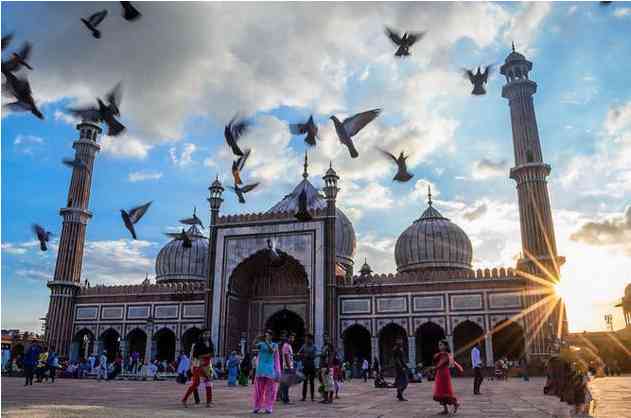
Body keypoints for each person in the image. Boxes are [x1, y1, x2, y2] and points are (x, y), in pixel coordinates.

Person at [252, 330, 281, 414]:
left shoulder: (275, 345)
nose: (266, 337)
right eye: (266, 335)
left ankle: (268, 407)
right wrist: (256, 338)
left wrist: (267, 342)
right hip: (261, 369)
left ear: (271, 336)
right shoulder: (261, 344)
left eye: (268, 335)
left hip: (269, 369)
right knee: (259, 389)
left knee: (270, 389)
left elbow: (272, 351)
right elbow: (253, 346)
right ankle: (257, 406)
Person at [182, 334, 213, 407]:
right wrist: (190, 367)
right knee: (196, 383)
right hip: (197, 365)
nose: (207, 336)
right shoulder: (196, 345)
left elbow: (211, 356)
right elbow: (193, 356)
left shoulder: (210, 344)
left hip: (207, 366)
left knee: (208, 384)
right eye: (205, 334)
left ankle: (208, 402)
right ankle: (184, 399)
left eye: (208, 334)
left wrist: (210, 366)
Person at [431, 340, 460, 415]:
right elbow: (436, 361)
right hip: (439, 374)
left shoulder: (446, 354)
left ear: (446, 346)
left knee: (446, 391)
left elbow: (442, 363)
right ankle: (445, 409)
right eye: (439, 345)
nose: (439, 346)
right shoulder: (440, 354)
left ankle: (456, 404)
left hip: (444, 374)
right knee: (440, 392)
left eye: (441, 345)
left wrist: (435, 368)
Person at [298, 333, 317, 402]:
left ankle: (312, 397)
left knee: (312, 382)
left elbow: (314, 356)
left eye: (307, 338)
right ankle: (304, 397)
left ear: (310, 339)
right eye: (305, 338)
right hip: (305, 365)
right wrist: (303, 355)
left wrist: (307, 355)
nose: (306, 340)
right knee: (305, 381)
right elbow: (299, 353)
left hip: (311, 365)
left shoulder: (314, 346)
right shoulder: (304, 346)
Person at [279, 332, 295, 404]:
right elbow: (286, 356)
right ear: (288, 338)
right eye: (291, 337)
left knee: (286, 384)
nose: (292, 339)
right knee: (286, 384)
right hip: (287, 367)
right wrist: (289, 368)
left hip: (289, 366)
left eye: (293, 338)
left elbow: (290, 356)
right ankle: (285, 399)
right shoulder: (286, 346)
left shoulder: (289, 346)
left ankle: (284, 398)